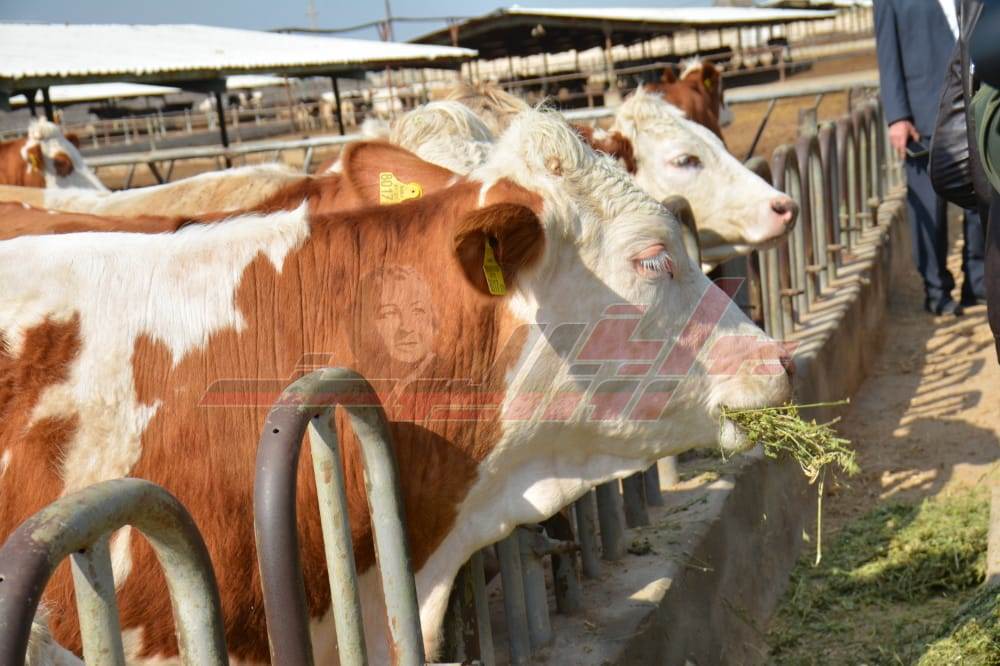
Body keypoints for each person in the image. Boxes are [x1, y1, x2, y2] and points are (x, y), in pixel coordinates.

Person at [875, 0, 987, 315]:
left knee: (980, 201)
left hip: (973, 105)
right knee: (930, 207)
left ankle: (978, 281)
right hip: (922, 116)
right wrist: (897, 116)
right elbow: (887, 55)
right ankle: (937, 290)